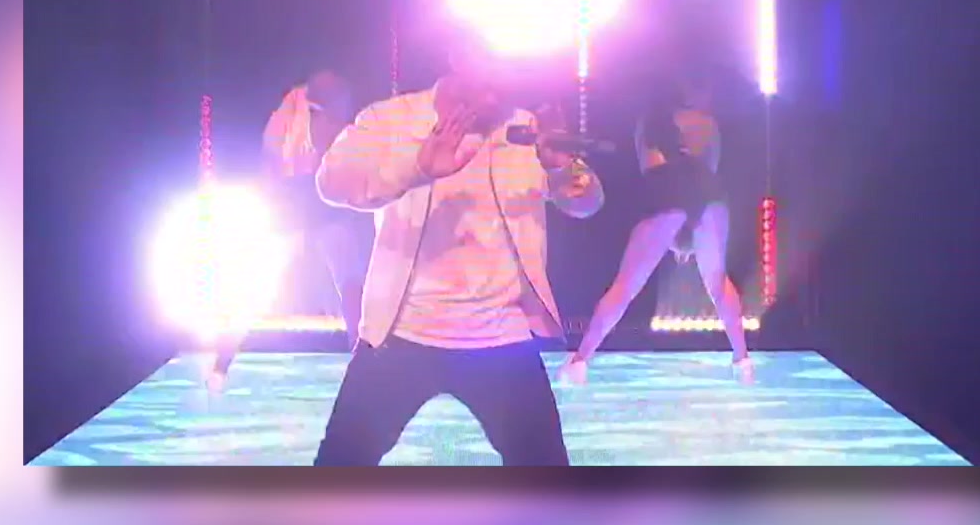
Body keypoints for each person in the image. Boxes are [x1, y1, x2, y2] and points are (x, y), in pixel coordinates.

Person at [311, 41, 605, 466]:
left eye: (505, 83)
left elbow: (588, 203)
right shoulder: (391, 119)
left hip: (500, 338)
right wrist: (416, 167)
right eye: (487, 80)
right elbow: (331, 182)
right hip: (402, 334)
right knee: (339, 468)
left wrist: (561, 167)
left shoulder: (526, 129)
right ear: (458, 58)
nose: (496, 96)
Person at [559, 69, 754, 384]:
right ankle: (742, 359)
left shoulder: (649, 122)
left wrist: (674, 230)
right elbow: (707, 171)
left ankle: (580, 361)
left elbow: (654, 176)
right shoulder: (706, 123)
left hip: (667, 188)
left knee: (626, 285)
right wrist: (686, 234)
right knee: (718, 281)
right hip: (708, 190)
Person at [204, 69, 368, 394]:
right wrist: (276, 199)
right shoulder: (291, 112)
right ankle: (221, 363)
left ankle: (363, 365)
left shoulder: (337, 123)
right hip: (294, 196)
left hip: (322, 195)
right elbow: (270, 162)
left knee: (349, 281)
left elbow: (341, 163)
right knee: (257, 281)